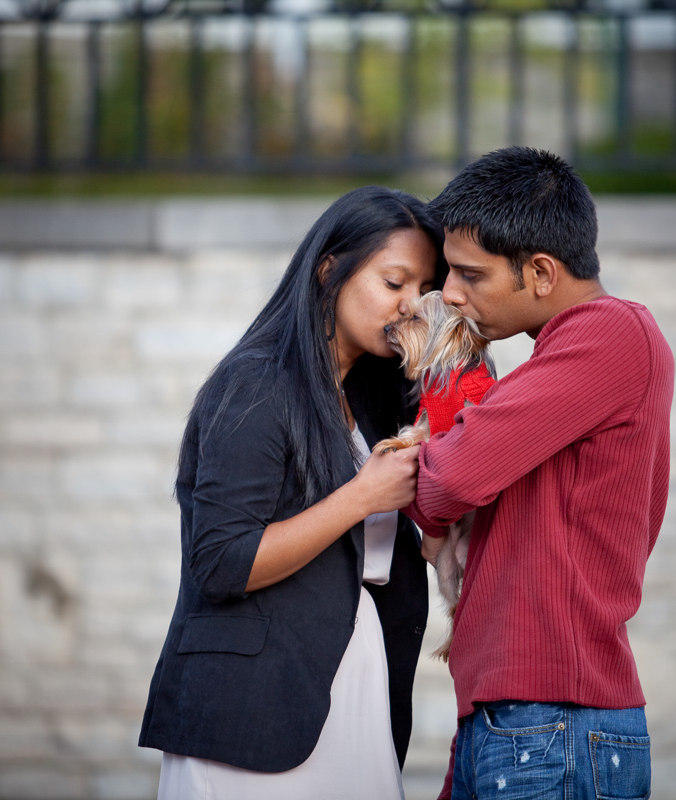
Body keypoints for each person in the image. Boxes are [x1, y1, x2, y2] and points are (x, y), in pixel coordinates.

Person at [138, 186, 445, 799]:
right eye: (394, 283)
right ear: (330, 269)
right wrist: (361, 497)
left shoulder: (368, 400)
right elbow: (222, 561)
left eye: (423, 290)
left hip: (348, 687)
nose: (412, 305)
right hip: (252, 713)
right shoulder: (255, 385)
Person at [405, 147, 675, 800]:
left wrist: (421, 460)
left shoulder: (611, 334)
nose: (449, 294)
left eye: (470, 275)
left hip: (554, 725)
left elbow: (453, 479)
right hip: (516, 722)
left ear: (543, 272)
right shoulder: (558, 358)